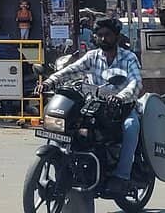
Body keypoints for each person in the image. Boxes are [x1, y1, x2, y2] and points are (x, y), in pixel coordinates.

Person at [40, 18, 143, 196]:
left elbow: (135, 83)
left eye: (107, 35)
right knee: (68, 124)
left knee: (131, 127)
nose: (103, 39)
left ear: (116, 37)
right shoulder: (92, 56)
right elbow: (71, 70)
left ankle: (122, 176)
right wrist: (50, 81)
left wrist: (119, 97)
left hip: (122, 106)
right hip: (94, 105)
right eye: (100, 35)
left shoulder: (128, 57)